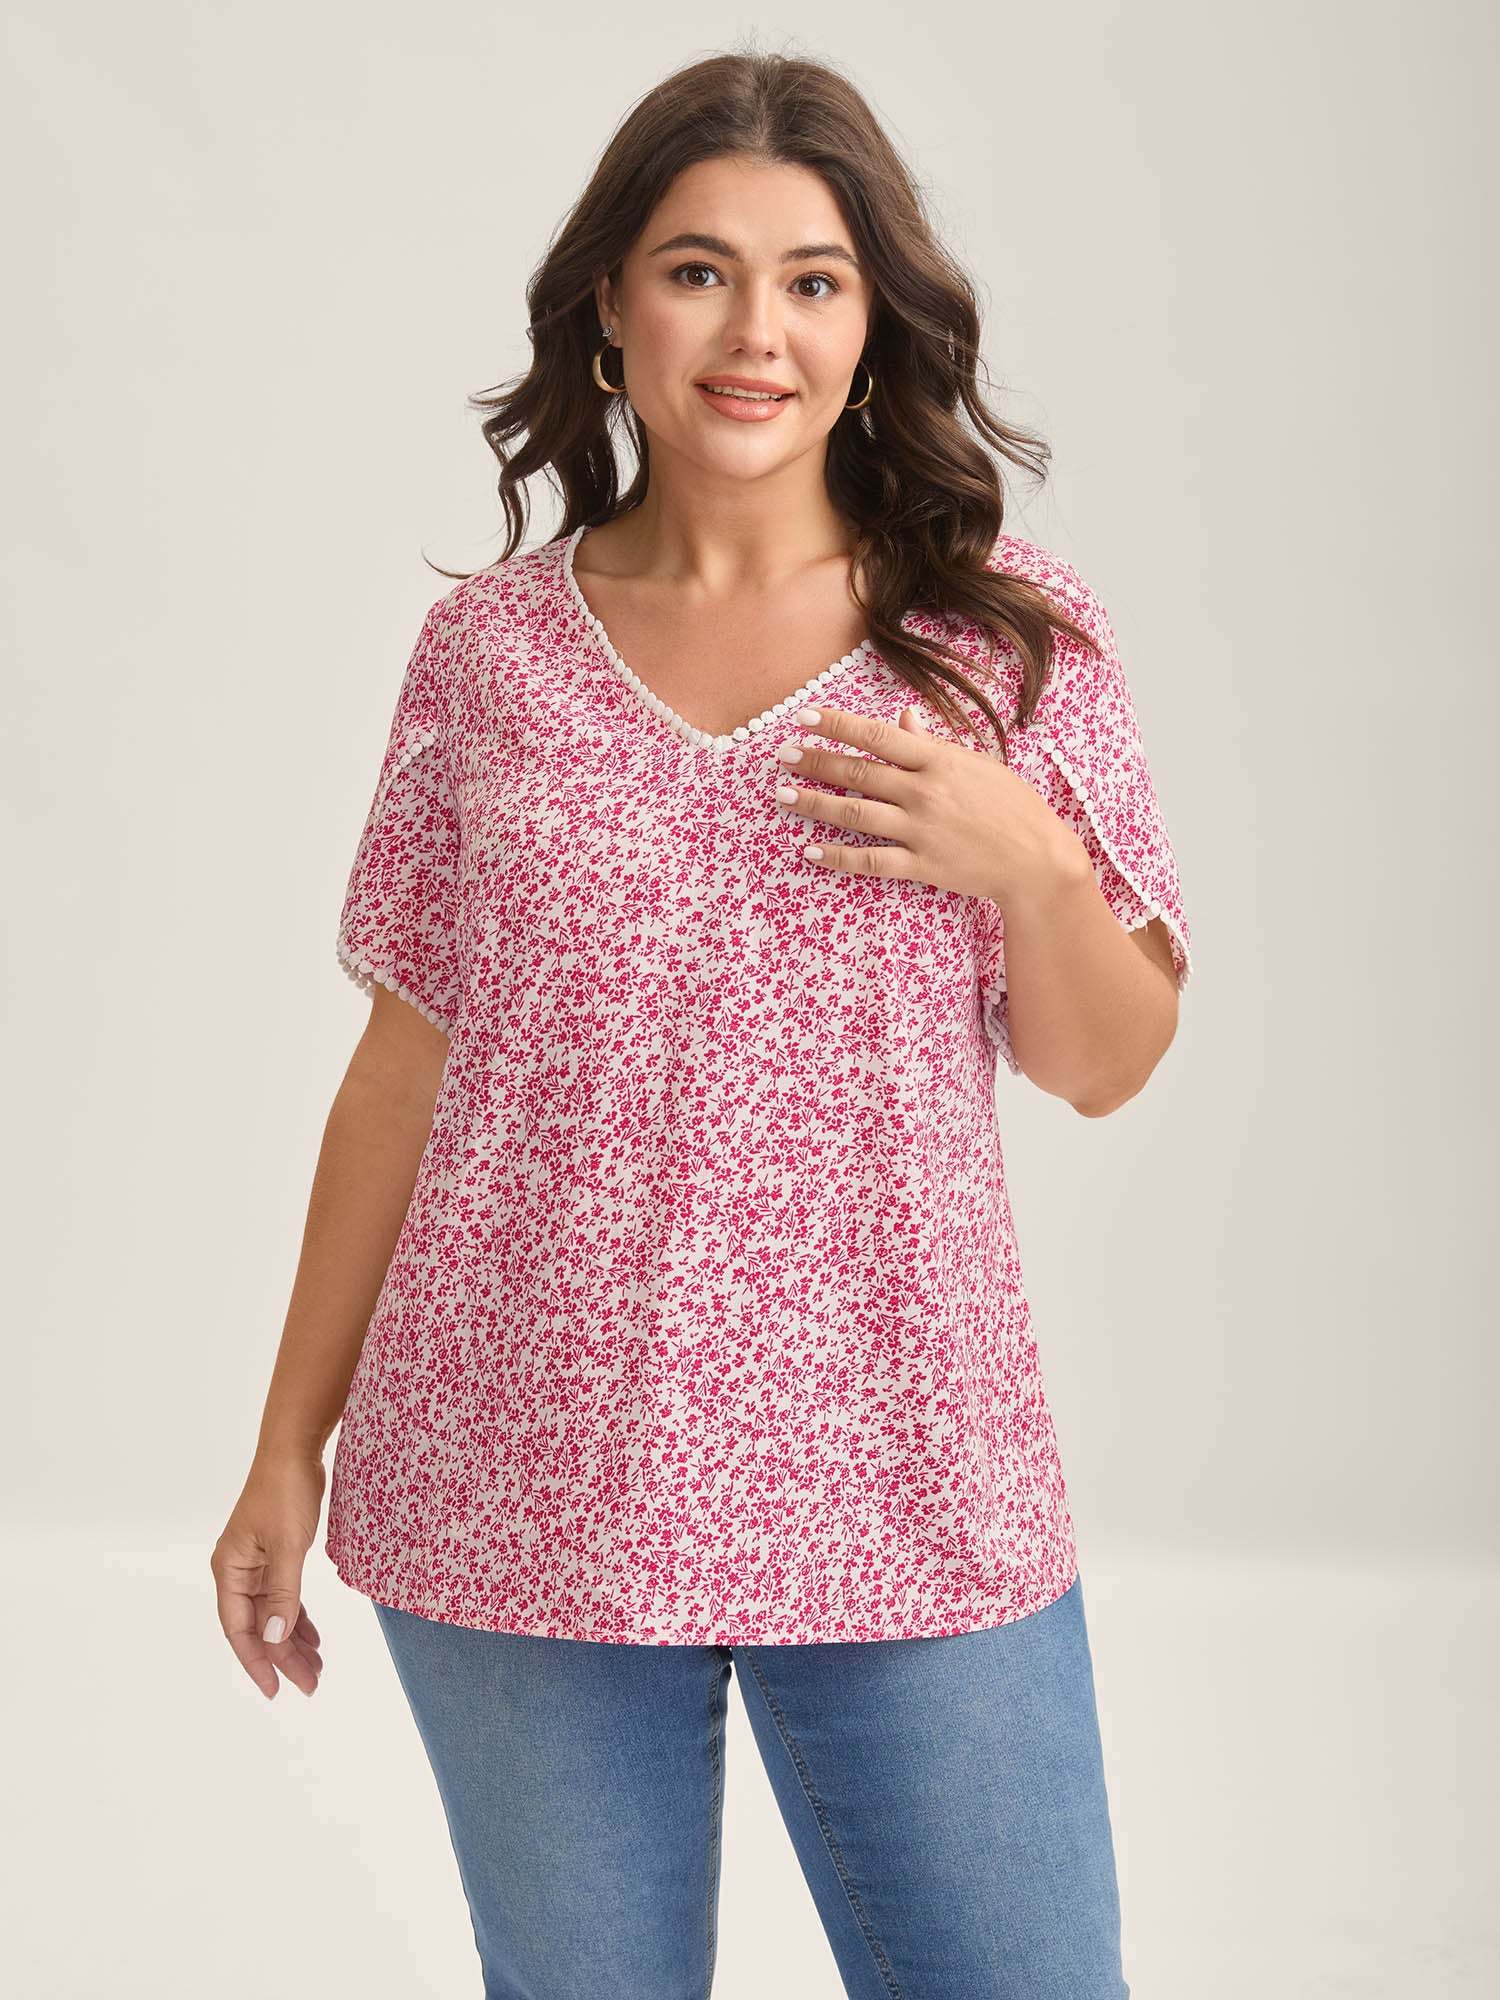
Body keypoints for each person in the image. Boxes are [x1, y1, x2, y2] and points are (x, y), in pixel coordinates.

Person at [211, 48, 1191, 2000]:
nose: (758, 332)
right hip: (519, 1474)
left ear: (872, 323)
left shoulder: (1001, 638)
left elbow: (1107, 1064)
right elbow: (404, 1070)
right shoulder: (489, 652)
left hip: (907, 1480)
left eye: (813, 280)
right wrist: (283, 1446)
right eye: (698, 272)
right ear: (611, 307)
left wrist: (1029, 866)